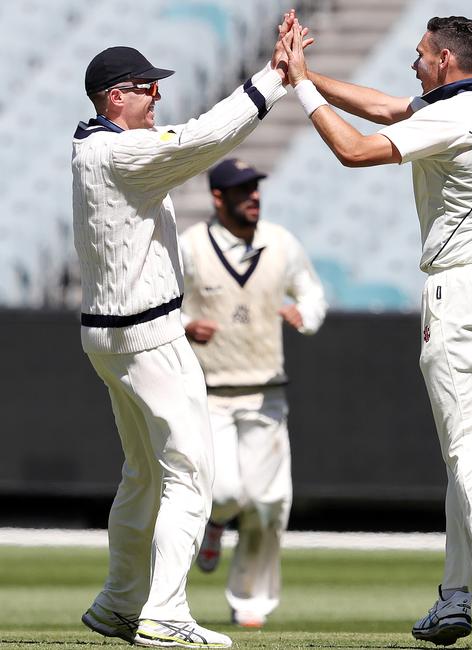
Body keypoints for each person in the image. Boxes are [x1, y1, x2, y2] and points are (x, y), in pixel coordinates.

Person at [281, 15, 472, 650]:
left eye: (421, 55)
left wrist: (300, 92)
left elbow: (352, 149)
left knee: (471, 452)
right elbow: (389, 106)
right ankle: (456, 595)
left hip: (463, 294)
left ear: (446, 63)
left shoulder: (448, 117)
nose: (413, 64)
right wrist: (305, 73)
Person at [73, 11, 310, 648]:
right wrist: (272, 81)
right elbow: (202, 141)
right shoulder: (123, 151)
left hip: (109, 336)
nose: (158, 95)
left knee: (143, 474)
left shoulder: (93, 147)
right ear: (113, 96)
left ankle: (120, 602)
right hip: (148, 336)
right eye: (146, 87)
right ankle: (164, 611)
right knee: (190, 473)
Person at [180, 158, 326, 627]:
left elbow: (312, 293)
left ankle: (249, 600)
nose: (254, 197)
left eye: (256, 189)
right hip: (209, 392)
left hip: (266, 392)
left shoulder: (280, 243)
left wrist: (306, 316)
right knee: (224, 490)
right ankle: (215, 520)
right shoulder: (190, 247)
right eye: (242, 191)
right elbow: (160, 304)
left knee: (270, 501)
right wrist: (185, 325)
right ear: (218, 198)